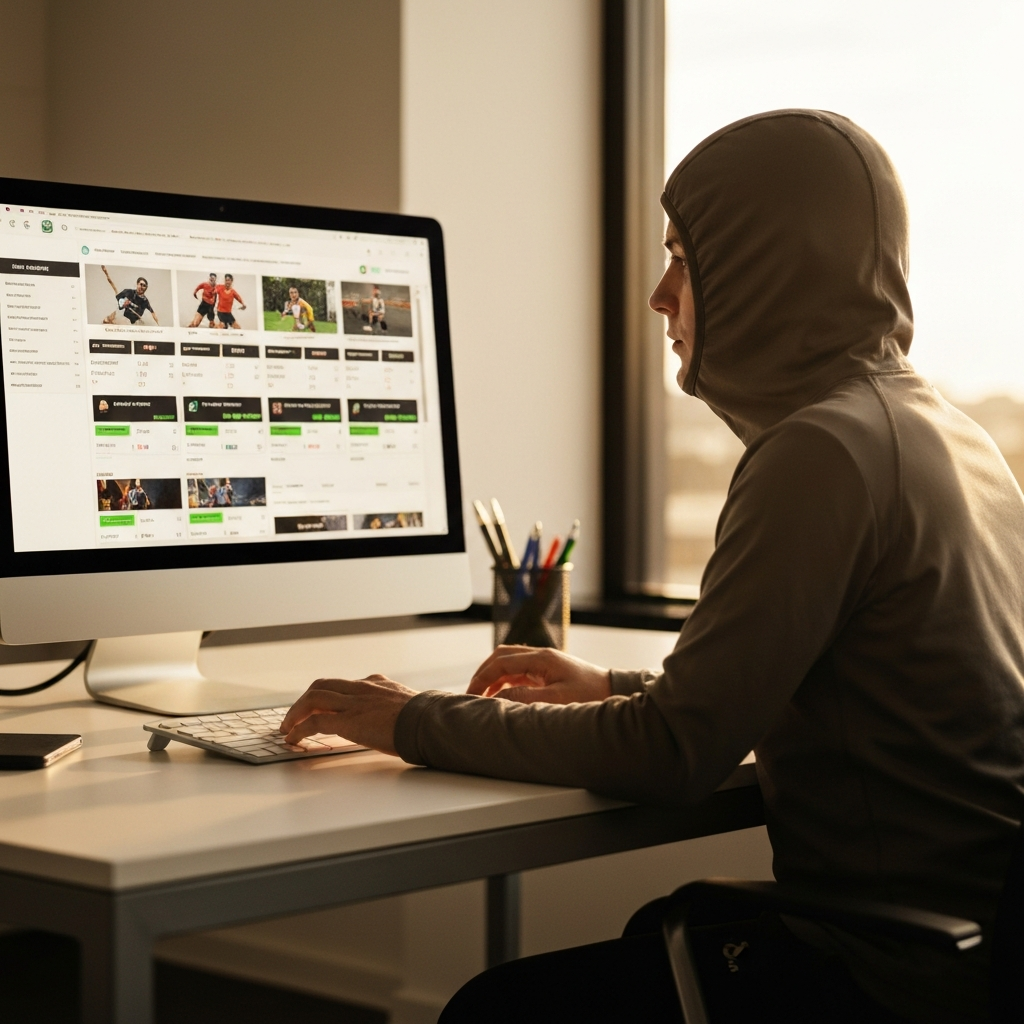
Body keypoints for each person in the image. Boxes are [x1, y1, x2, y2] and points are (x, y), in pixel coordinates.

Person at [278, 110, 1024, 1023]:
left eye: (684, 256)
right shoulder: (941, 432)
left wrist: (413, 719)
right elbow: (831, 685)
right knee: (647, 942)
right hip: (972, 948)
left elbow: (671, 752)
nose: (661, 294)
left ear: (765, 266)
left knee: (495, 1010)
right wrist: (613, 681)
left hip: (886, 974)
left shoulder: (822, 451)